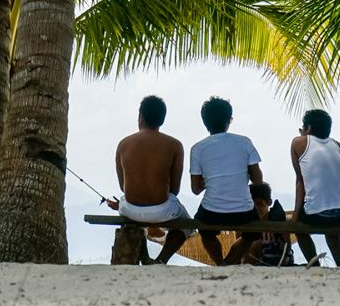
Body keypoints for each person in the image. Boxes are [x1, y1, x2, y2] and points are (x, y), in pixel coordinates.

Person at [107, 95, 193, 264]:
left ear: (140, 117)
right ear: (162, 119)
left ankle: (144, 255)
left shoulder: (123, 144)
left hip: (130, 208)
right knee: (187, 224)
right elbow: (174, 190)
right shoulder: (175, 145)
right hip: (161, 209)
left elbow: (123, 187)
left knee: (134, 215)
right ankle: (161, 260)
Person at [189, 97, 263, 265]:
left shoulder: (197, 148)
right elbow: (257, 180)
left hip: (211, 211)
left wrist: (211, 180)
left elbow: (195, 189)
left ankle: (220, 264)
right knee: (252, 233)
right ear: (229, 120)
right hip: (243, 210)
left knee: (206, 231)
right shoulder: (244, 142)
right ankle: (227, 264)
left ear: (205, 121)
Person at [290, 109, 340, 267]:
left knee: (300, 228)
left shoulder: (298, 142)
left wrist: (295, 218)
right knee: (332, 224)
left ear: (308, 128)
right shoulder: (338, 146)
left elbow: (300, 180)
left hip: (318, 215)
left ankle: (313, 263)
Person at [243, 182, 294, 266]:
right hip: (258, 265)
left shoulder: (277, 221)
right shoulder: (248, 224)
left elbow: (286, 250)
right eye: (252, 204)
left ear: (269, 202)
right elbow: (245, 258)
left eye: (259, 204)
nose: (256, 209)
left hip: (282, 264)